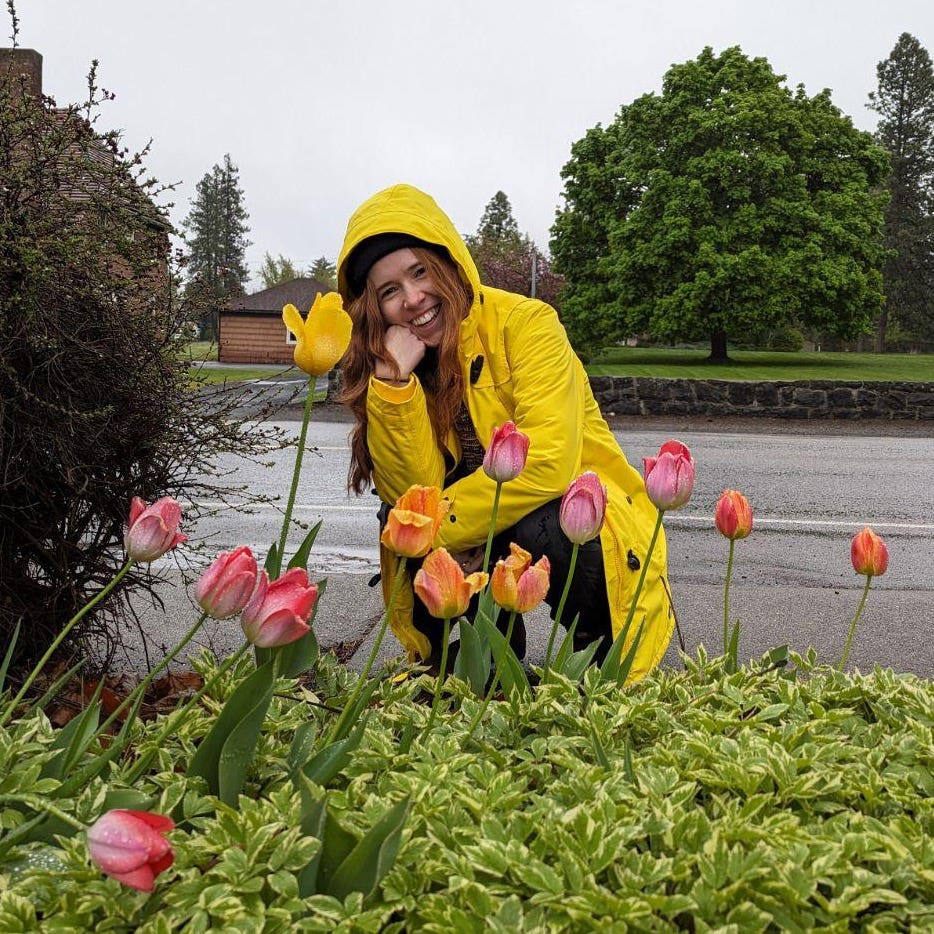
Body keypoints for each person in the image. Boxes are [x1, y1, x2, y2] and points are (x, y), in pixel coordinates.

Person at [337, 183, 674, 679]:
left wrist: (440, 530)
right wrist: (392, 385)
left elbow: (548, 461)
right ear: (374, 307)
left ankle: (599, 643)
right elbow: (410, 489)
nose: (413, 299)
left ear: (449, 263)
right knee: (401, 516)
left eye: (419, 272)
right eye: (389, 291)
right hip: (475, 530)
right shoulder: (397, 365)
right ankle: (477, 658)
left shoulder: (528, 324)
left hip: (583, 519)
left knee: (547, 520)